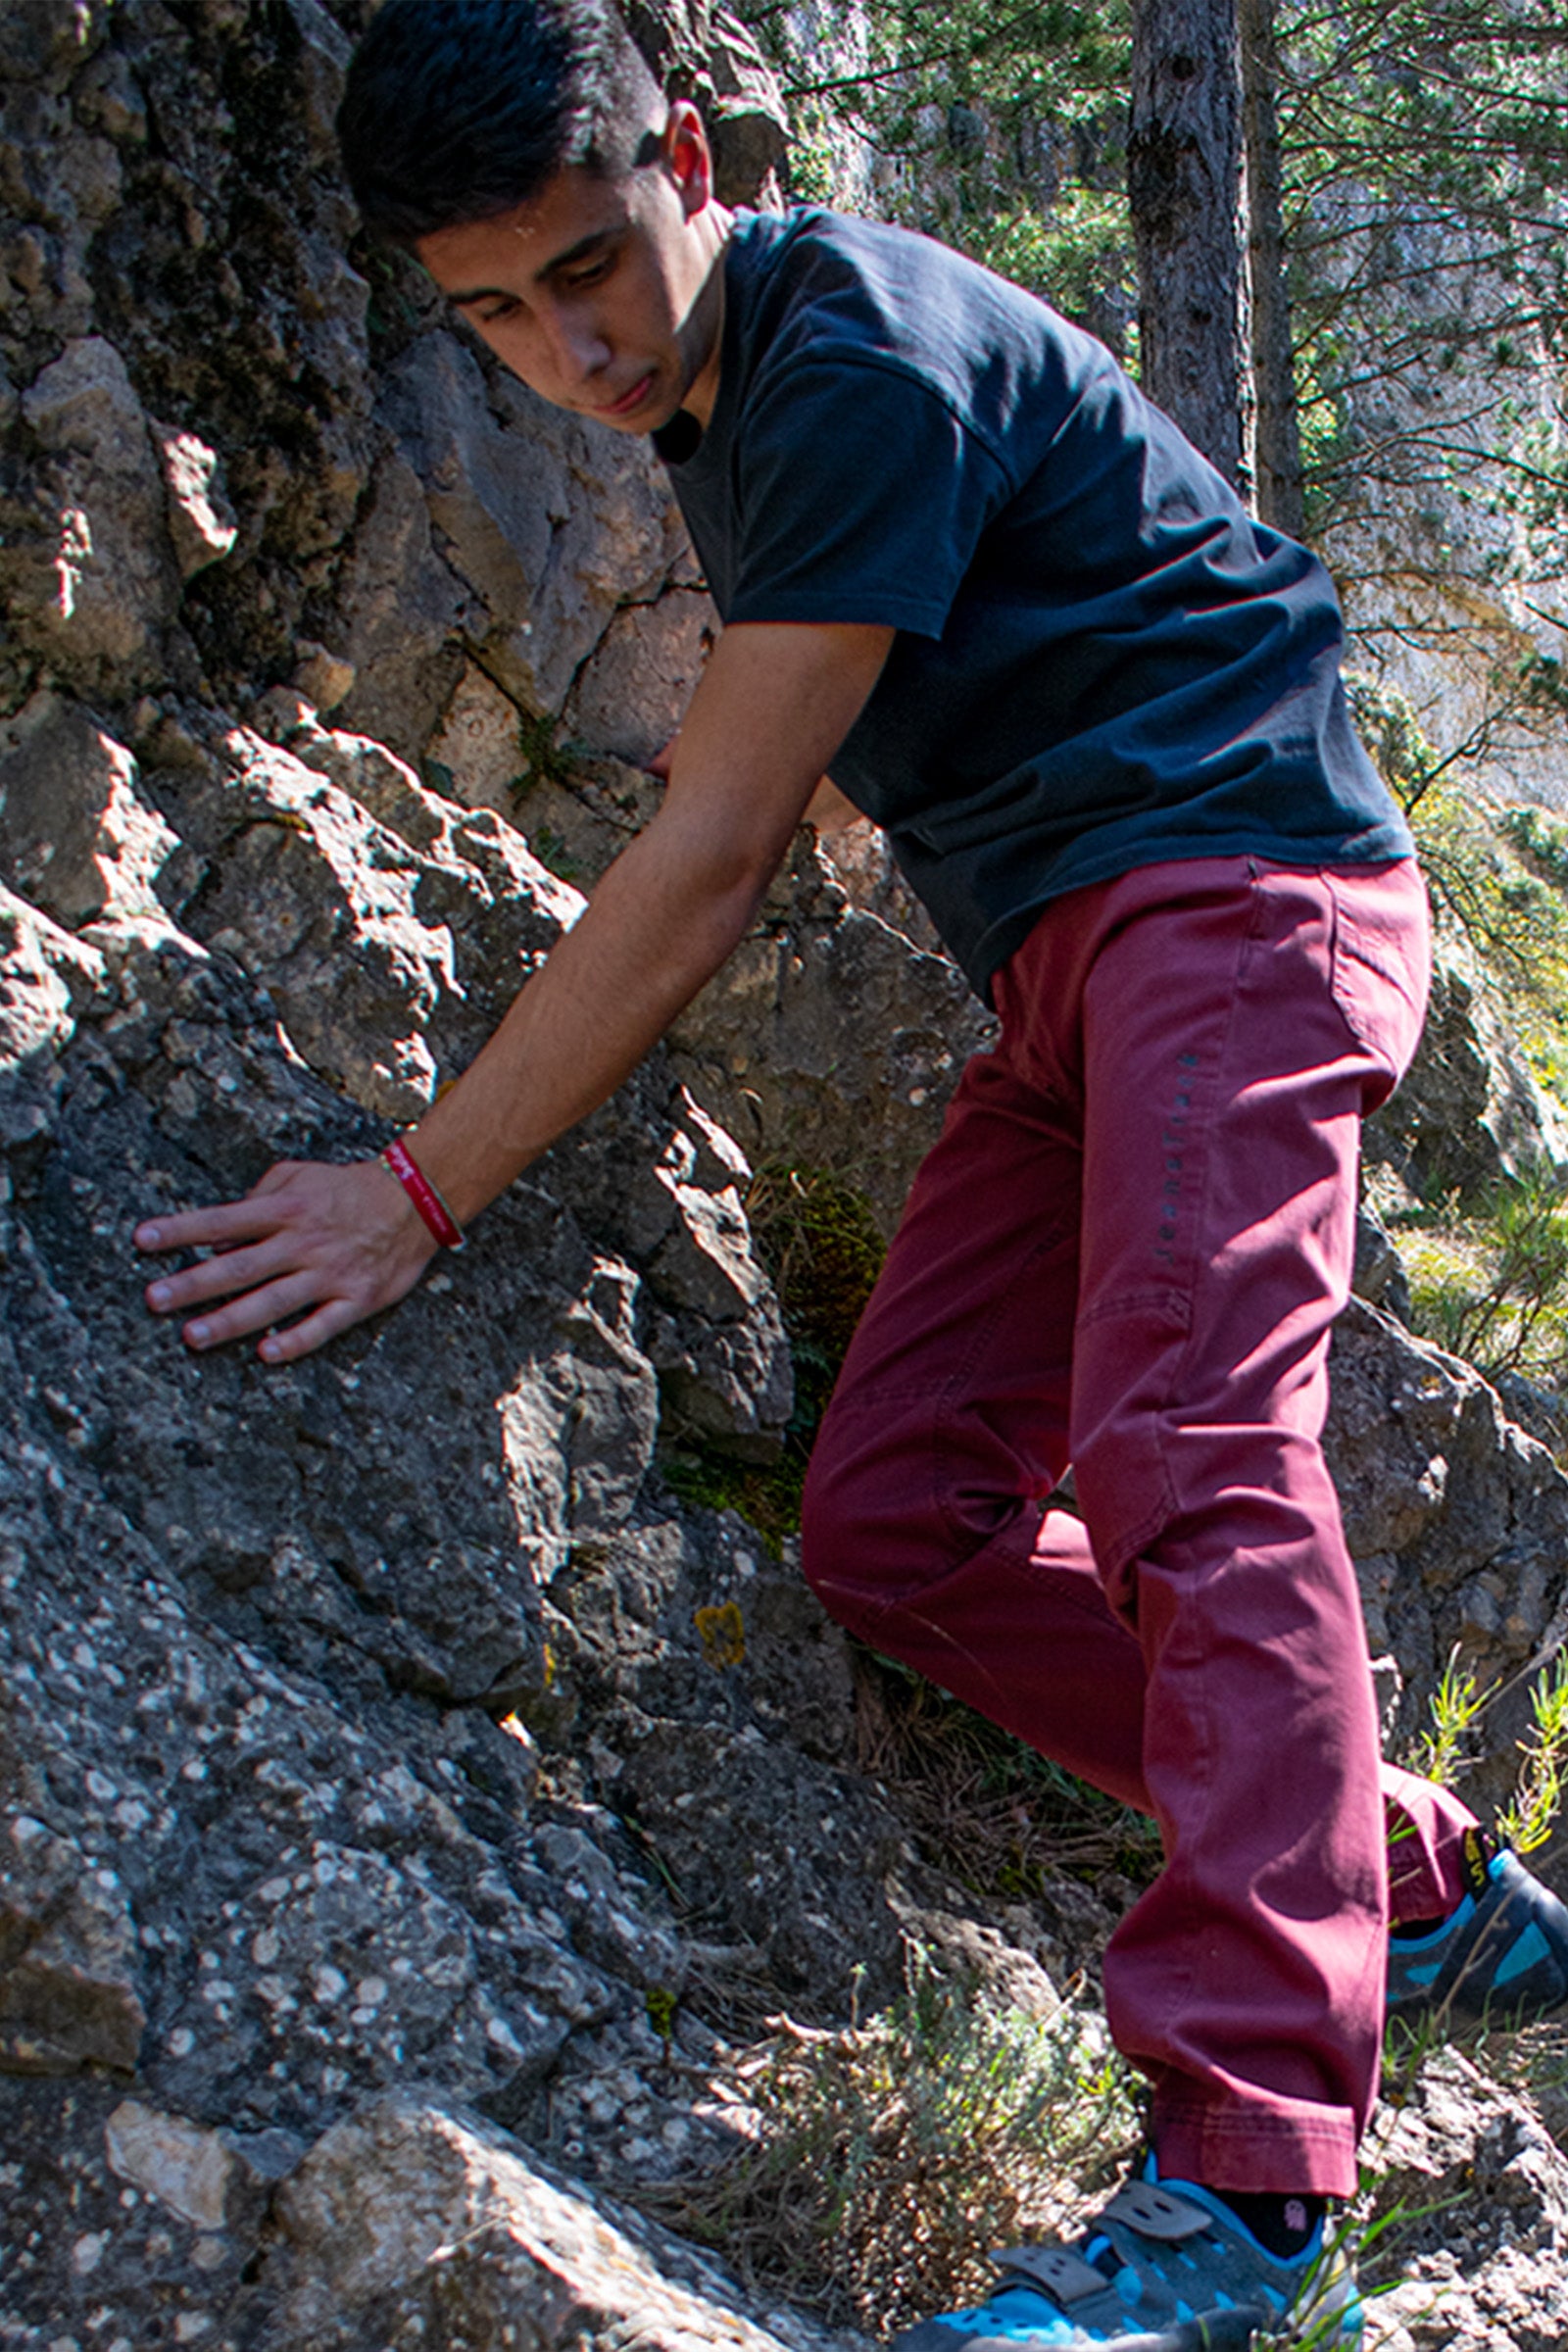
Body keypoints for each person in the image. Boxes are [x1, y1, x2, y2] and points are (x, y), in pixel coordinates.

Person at [134, 2, 1568, 2342]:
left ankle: (1243, 2190)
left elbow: (709, 857)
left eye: (593, 263)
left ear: (686, 152)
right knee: (891, 1512)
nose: (567, 346)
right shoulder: (722, 398)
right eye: (492, 313)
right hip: (1072, 970)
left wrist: (415, 1189)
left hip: (1240, 896)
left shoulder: (855, 357)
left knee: (1192, 1443)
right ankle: (1397, 1883)